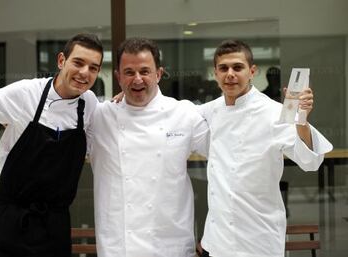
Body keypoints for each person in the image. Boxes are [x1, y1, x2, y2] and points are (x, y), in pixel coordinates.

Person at [0, 33, 103, 257]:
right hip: (9, 224)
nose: (85, 73)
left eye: (93, 68)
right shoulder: (25, 94)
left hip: (54, 229)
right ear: (61, 61)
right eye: (78, 63)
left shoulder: (89, 104)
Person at [197, 40, 333, 257]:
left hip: (259, 239)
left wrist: (301, 120)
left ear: (252, 71)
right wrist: (124, 102)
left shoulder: (274, 112)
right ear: (215, 73)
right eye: (223, 68)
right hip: (217, 241)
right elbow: (166, 114)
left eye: (237, 67)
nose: (230, 74)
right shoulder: (207, 112)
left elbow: (310, 162)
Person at [87, 38, 210, 257]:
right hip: (118, 246)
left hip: (171, 245)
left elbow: (225, 160)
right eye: (129, 72)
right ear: (117, 76)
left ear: (159, 74)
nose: (137, 79)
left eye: (145, 71)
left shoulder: (184, 114)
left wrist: (213, 235)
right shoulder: (99, 116)